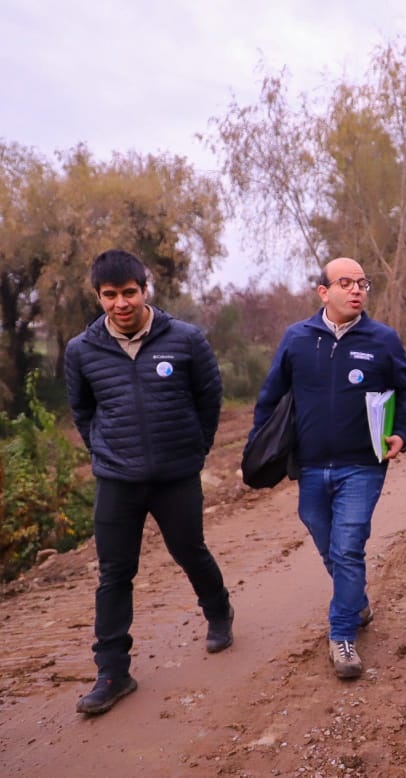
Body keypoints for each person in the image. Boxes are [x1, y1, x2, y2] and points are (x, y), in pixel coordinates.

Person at [64, 249, 233, 715]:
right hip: (117, 479)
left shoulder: (185, 339)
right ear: (98, 296)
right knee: (115, 573)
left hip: (176, 475)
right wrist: (104, 451)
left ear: (145, 289)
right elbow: (82, 410)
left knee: (189, 550)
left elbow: (209, 398)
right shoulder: (81, 350)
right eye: (110, 295)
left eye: (129, 292)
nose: (121, 303)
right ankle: (112, 672)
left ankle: (218, 610)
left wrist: (194, 449)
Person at [250, 258, 406, 680]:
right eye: (345, 283)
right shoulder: (297, 338)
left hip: (362, 465)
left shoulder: (382, 339)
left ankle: (342, 635)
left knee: (347, 548)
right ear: (323, 292)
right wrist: (261, 447)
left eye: (362, 283)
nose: (356, 290)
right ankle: (355, 599)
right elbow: (270, 397)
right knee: (327, 542)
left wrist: (403, 432)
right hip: (310, 466)